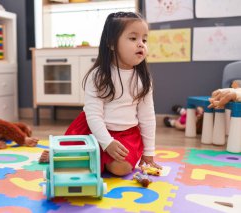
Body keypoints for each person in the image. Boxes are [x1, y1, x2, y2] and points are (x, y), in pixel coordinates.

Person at [40, 11, 161, 176]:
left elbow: (147, 117)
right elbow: (93, 115)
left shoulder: (143, 79)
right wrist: (107, 143)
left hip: (127, 134)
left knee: (122, 169)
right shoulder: (98, 76)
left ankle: (91, 158)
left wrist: (149, 152)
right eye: (133, 38)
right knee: (69, 161)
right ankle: (62, 154)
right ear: (111, 44)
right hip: (91, 130)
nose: (141, 44)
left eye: (144, 40)